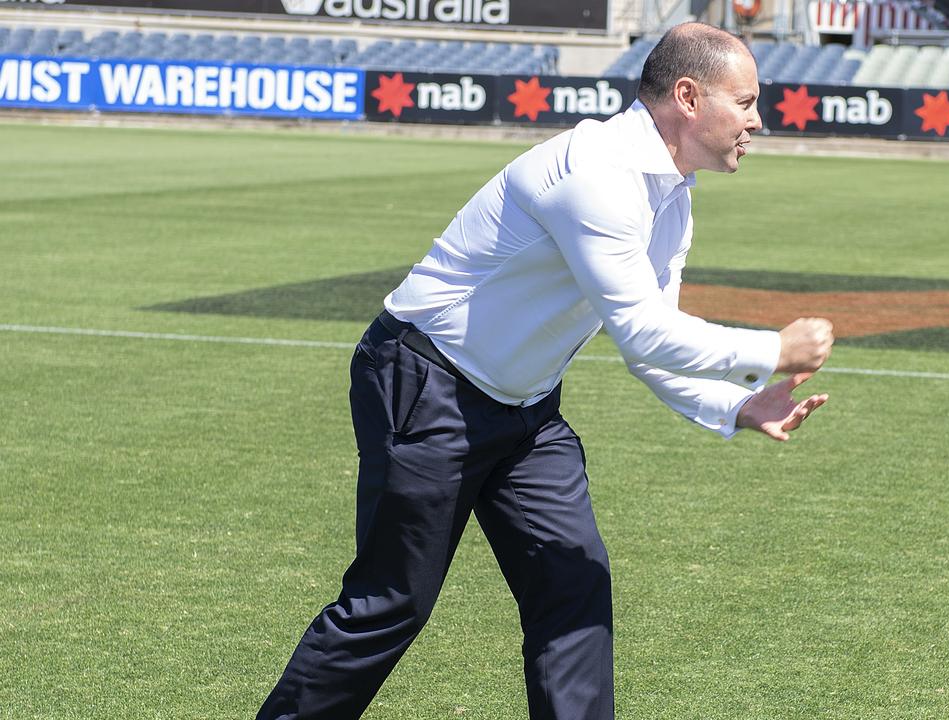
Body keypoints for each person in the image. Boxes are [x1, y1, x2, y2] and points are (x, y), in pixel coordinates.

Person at [257, 22, 835, 720]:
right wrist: (772, 351)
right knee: (391, 602)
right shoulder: (599, 176)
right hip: (424, 383)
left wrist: (734, 406)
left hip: (524, 411)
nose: (757, 119)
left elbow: (648, 339)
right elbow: (646, 333)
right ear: (688, 96)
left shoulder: (670, 195)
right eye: (744, 102)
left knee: (573, 585)